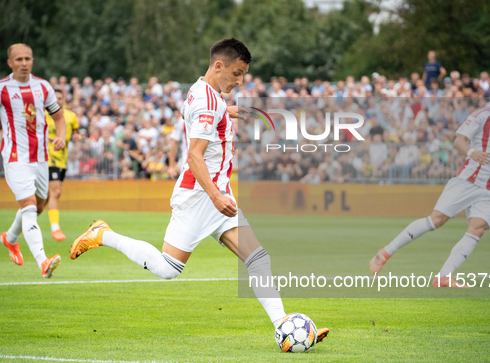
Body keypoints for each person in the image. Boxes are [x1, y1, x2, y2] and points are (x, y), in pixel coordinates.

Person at [69, 37, 329, 342]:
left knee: (258, 259)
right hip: (200, 197)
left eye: (242, 74)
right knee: (168, 268)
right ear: (218, 66)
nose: (239, 80)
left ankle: (283, 327)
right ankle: (102, 234)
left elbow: (193, 112)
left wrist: (224, 111)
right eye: (236, 73)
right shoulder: (208, 101)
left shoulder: (203, 93)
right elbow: (194, 155)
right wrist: (216, 195)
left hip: (217, 194)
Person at [369, 72, 490, 287]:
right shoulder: (483, 115)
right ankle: (385, 252)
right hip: (468, 181)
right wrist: (472, 153)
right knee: (436, 221)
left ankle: (444, 276)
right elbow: (458, 140)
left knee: (477, 229)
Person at [0, 43, 67, 278]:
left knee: (39, 206)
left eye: (28, 59)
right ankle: (43, 262)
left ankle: (10, 239)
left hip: (42, 158)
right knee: (30, 206)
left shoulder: (43, 87)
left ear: (33, 60)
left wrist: (60, 137)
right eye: (19, 59)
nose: (24, 63)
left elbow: (59, 117)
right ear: (9, 63)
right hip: (15, 159)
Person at [46, 88, 79, 241]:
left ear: (64, 100)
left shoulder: (71, 116)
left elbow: (76, 133)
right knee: (56, 192)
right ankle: (55, 228)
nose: (58, 100)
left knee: (46, 195)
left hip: (62, 160)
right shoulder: (44, 114)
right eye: (55, 97)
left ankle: (27, 223)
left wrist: (78, 138)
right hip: (47, 157)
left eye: (60, 98)